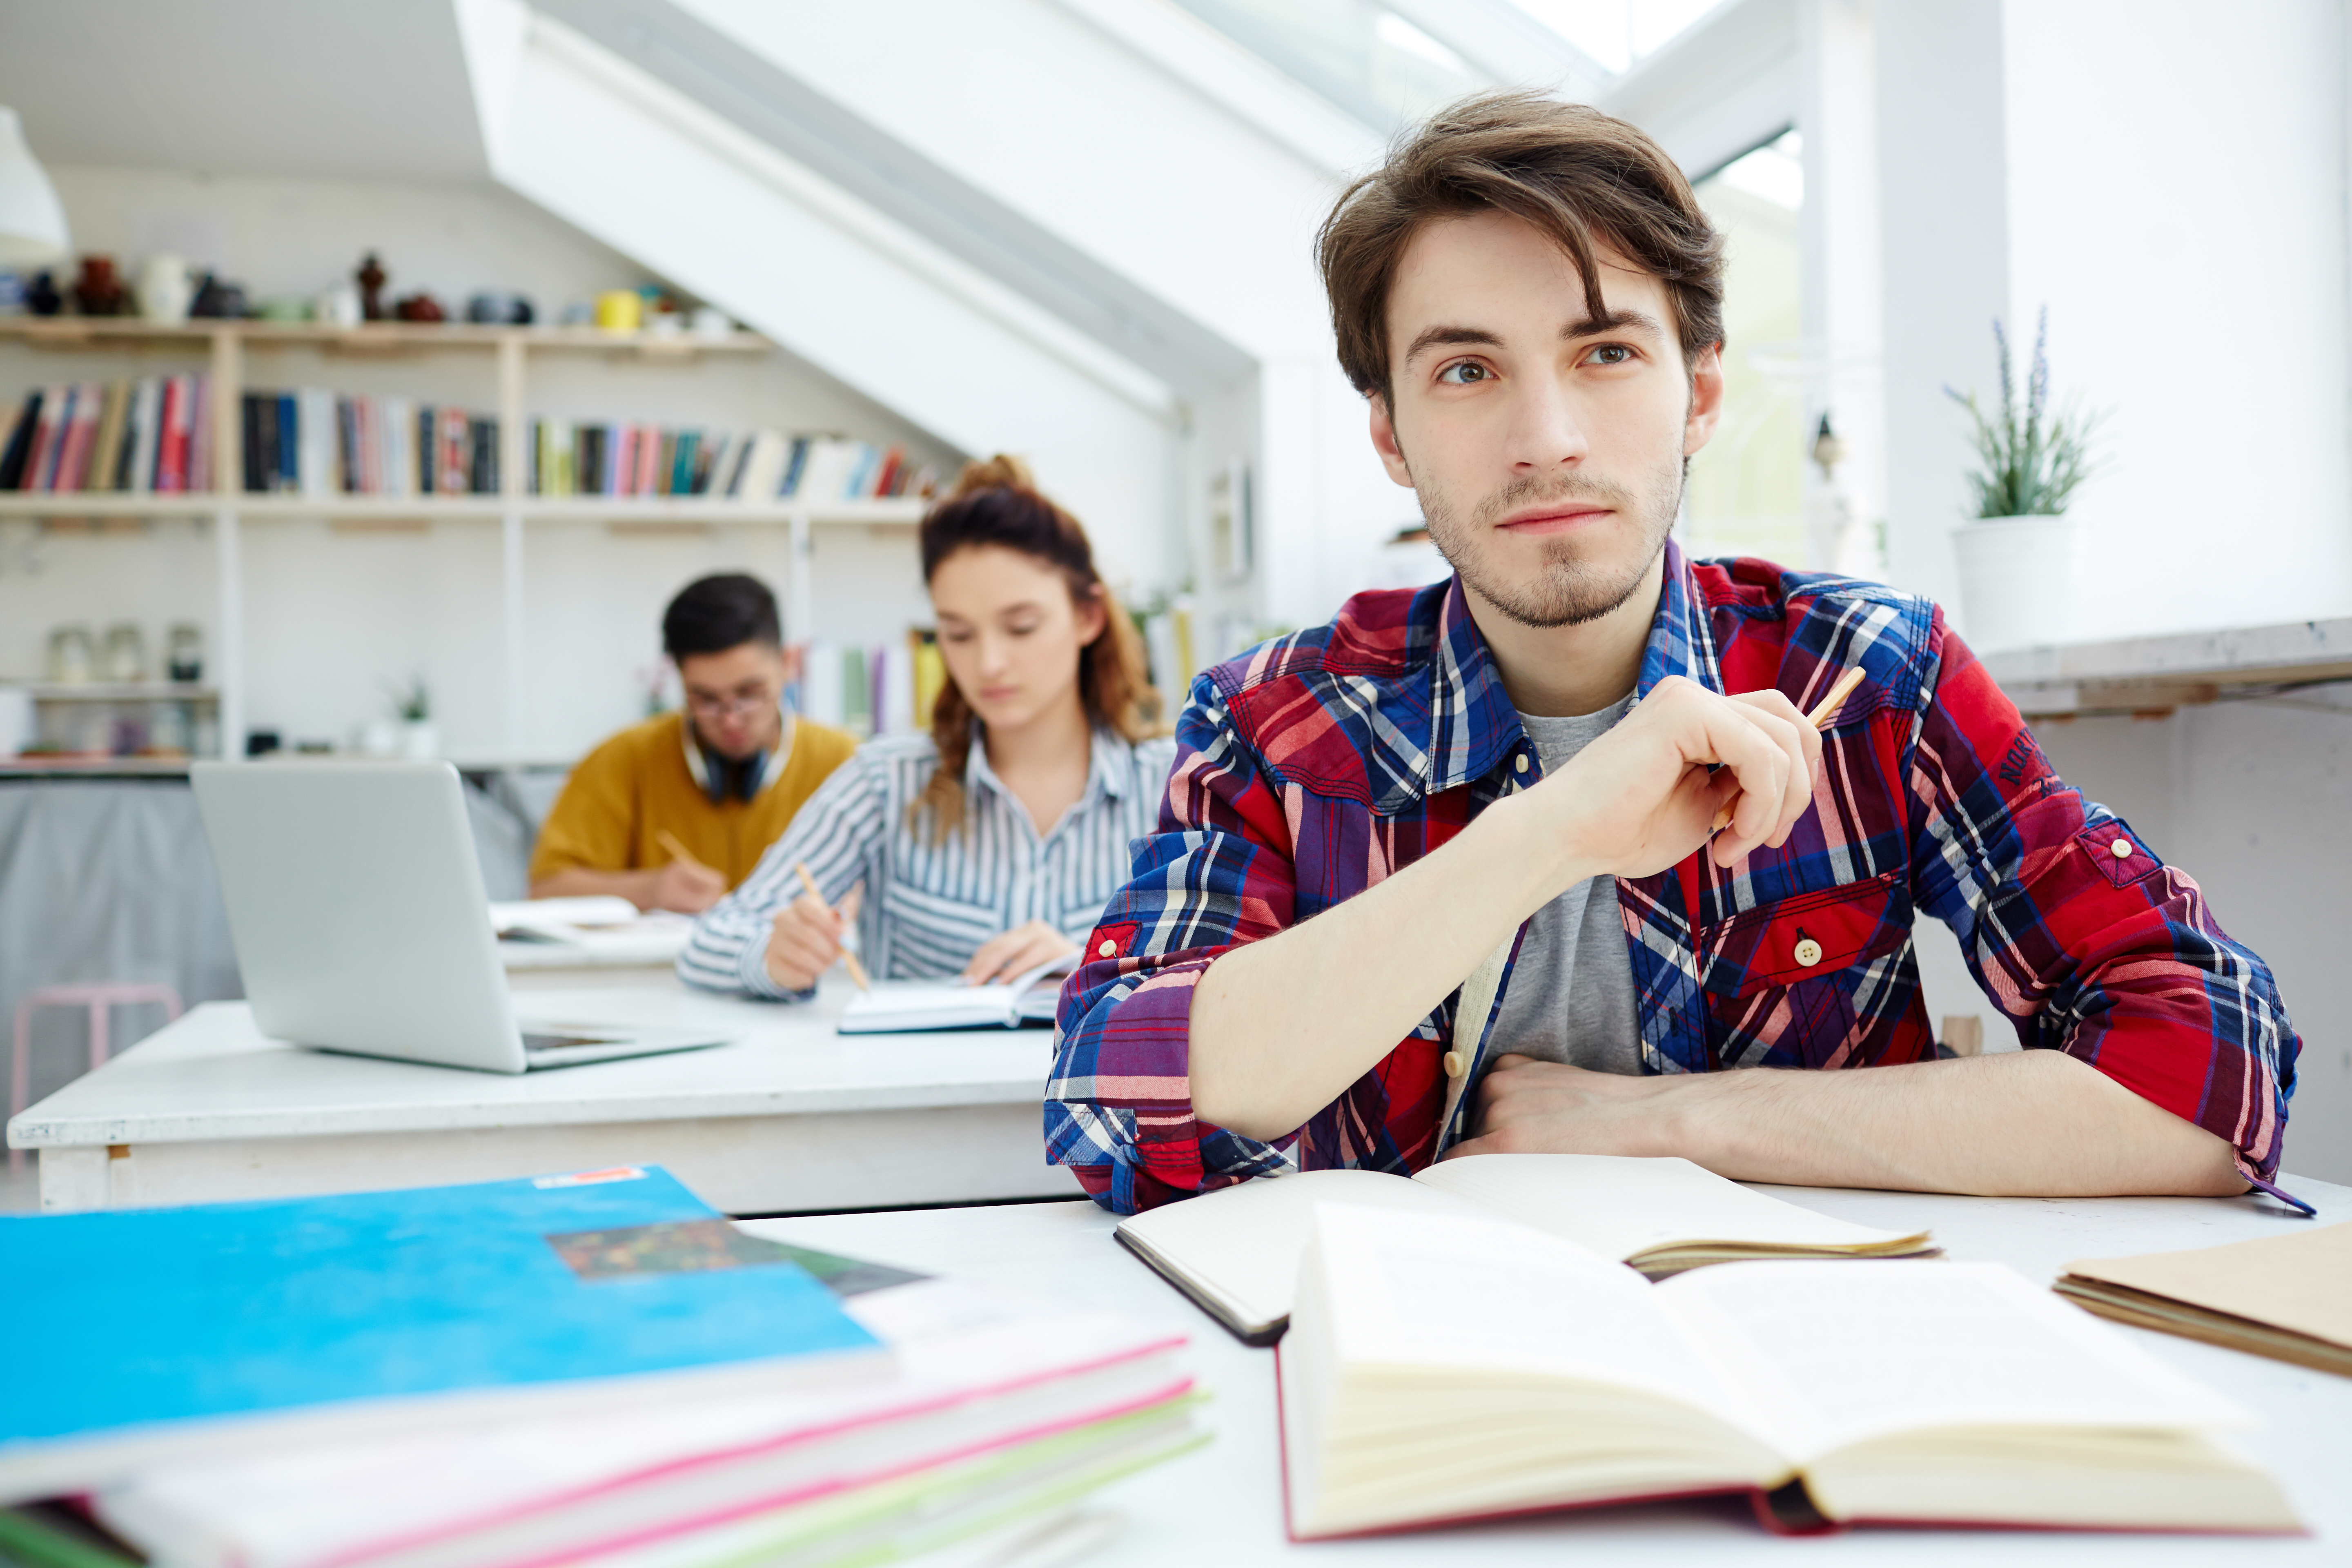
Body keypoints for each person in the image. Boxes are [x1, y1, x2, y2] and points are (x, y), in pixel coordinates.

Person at [1046, 93, 2301, 1216]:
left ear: (1700, 393)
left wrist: (1670, 1122)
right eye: (1468, 369)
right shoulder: (1273, 718)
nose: (1547, 438)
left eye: (1605, 352)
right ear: (1390, 433)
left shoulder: (1866, 672)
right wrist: (1555, 828)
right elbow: (1119, 1092)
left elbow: (2212, 1071)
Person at [681, 457, 1175, 996]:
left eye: (1021, 627)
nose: (988, 663)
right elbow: (709, 943)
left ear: (1088, 618)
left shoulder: (1173, 789)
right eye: (958, 635)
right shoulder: (885, 781)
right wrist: (772, 957)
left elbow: (1234, 970)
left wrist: (1098, 966)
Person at [530, 573, 858, 913]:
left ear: (789, 664)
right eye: (706, 700)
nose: (731, 720)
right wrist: (649, 890)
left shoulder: (845, 762)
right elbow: (545, 888)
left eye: (750, 694)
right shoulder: (622, 758)